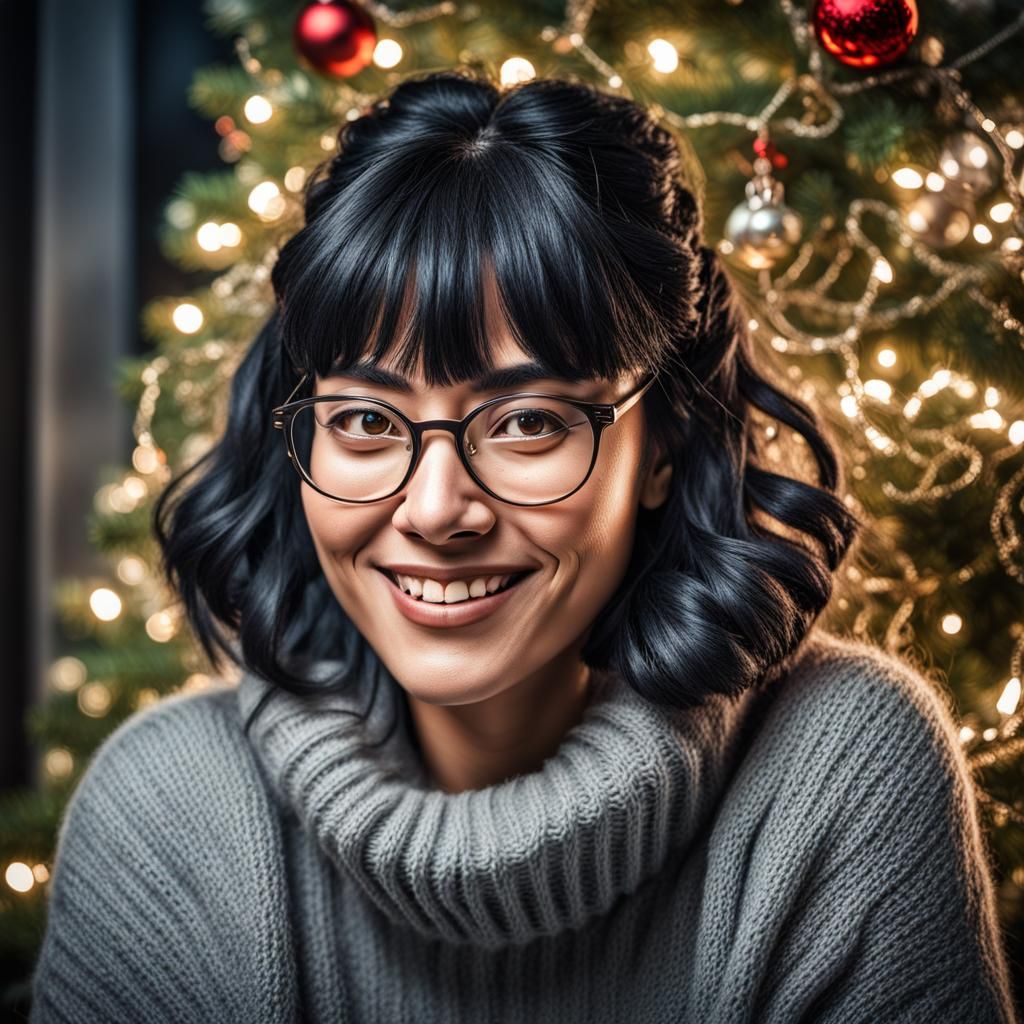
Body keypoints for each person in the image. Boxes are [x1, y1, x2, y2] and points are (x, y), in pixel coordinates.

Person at [30, 69, 1018, 1023]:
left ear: (665, 440)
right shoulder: (167, 810)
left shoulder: (842, 769)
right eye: (367, 422)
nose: (435, 510)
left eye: (529, 423)